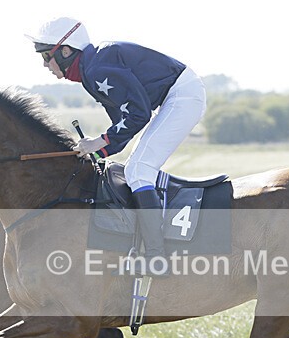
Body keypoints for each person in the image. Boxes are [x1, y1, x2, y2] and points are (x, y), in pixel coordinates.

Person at [25, 18, 207, 276]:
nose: (45, 64)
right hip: (177, 95)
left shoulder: (97, 69)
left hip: (182, 96)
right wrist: (99, 149)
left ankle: (157, 257)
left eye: (46, 56)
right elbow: (123, 124)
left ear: (65, 51)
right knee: (135, 169)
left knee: (139, 170)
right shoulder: (92, 70)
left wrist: (99, 142)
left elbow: (138, 115)